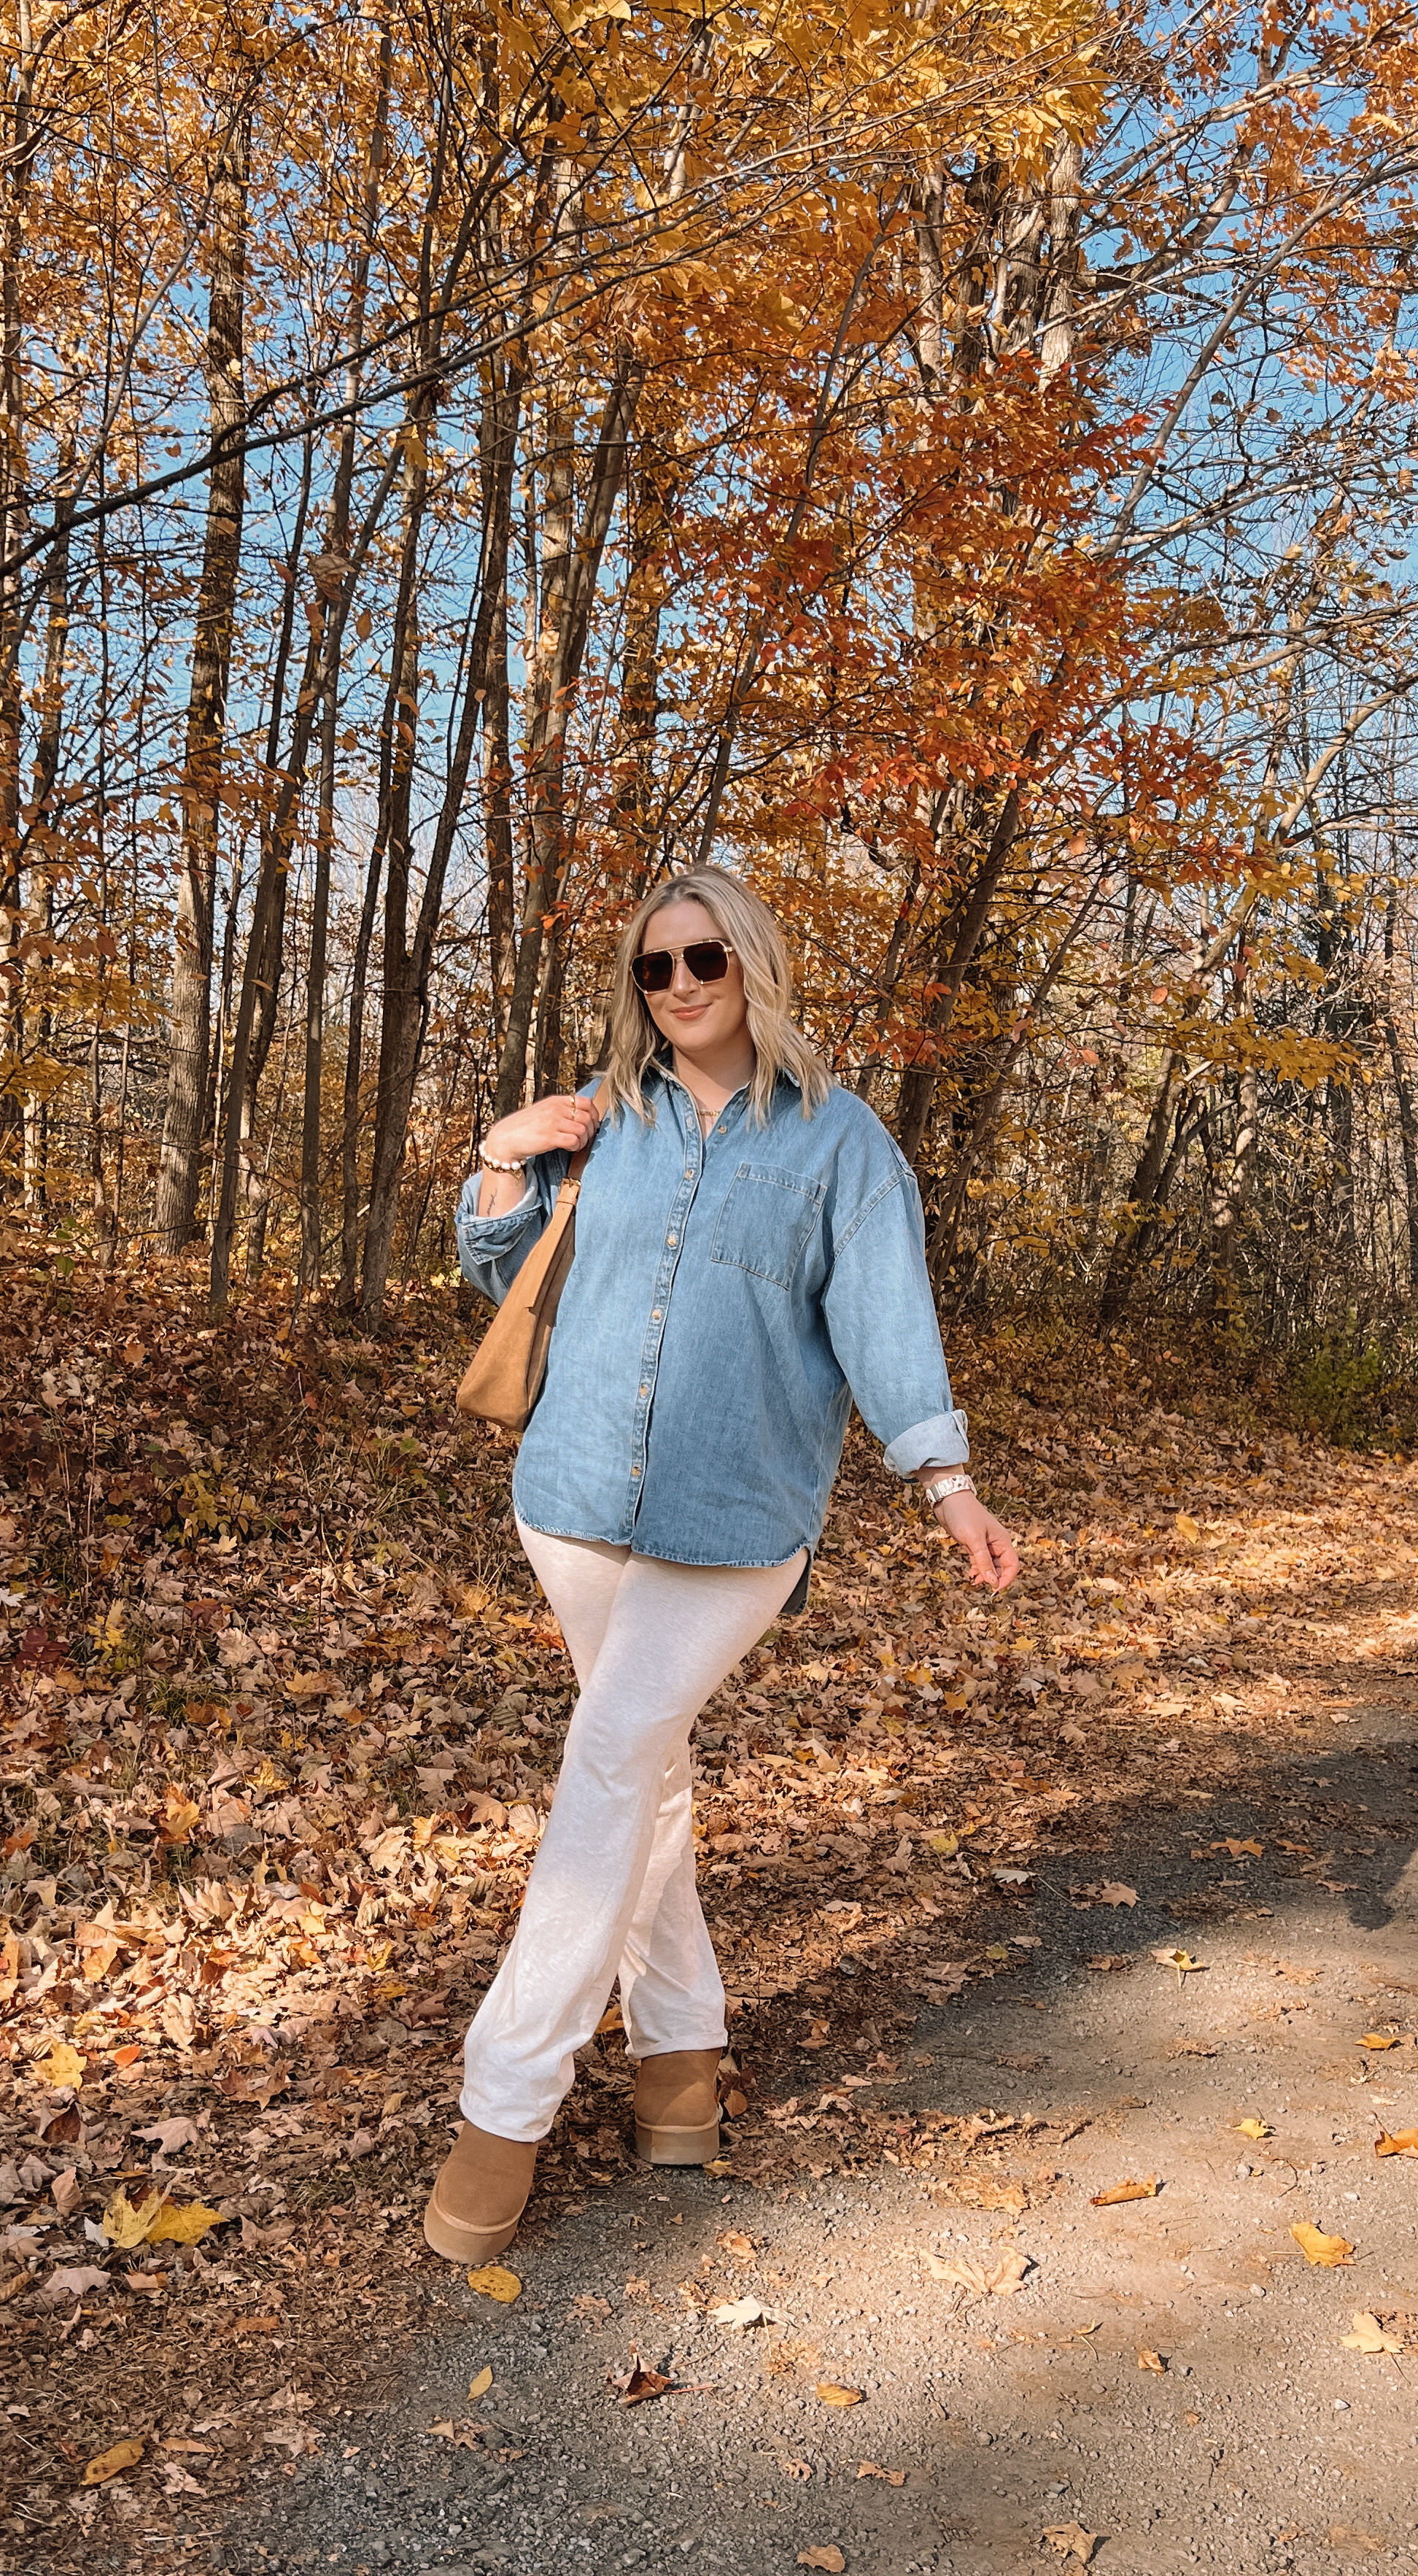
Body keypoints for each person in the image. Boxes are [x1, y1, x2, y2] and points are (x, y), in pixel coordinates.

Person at [430, 865, 1019, 2263]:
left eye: (703, 959)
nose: (680, 986)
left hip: (737, 1517)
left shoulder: (839, 1142)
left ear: (749, 961)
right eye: (654, 969)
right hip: (571, 1499)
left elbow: (886, 1323)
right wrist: (503, 1157)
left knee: (613, 1759)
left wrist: (946, 1483)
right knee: (648, 1771)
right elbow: (498, 1268)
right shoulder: (606, 1118)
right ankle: (680, 2073)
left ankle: (503, 2102)